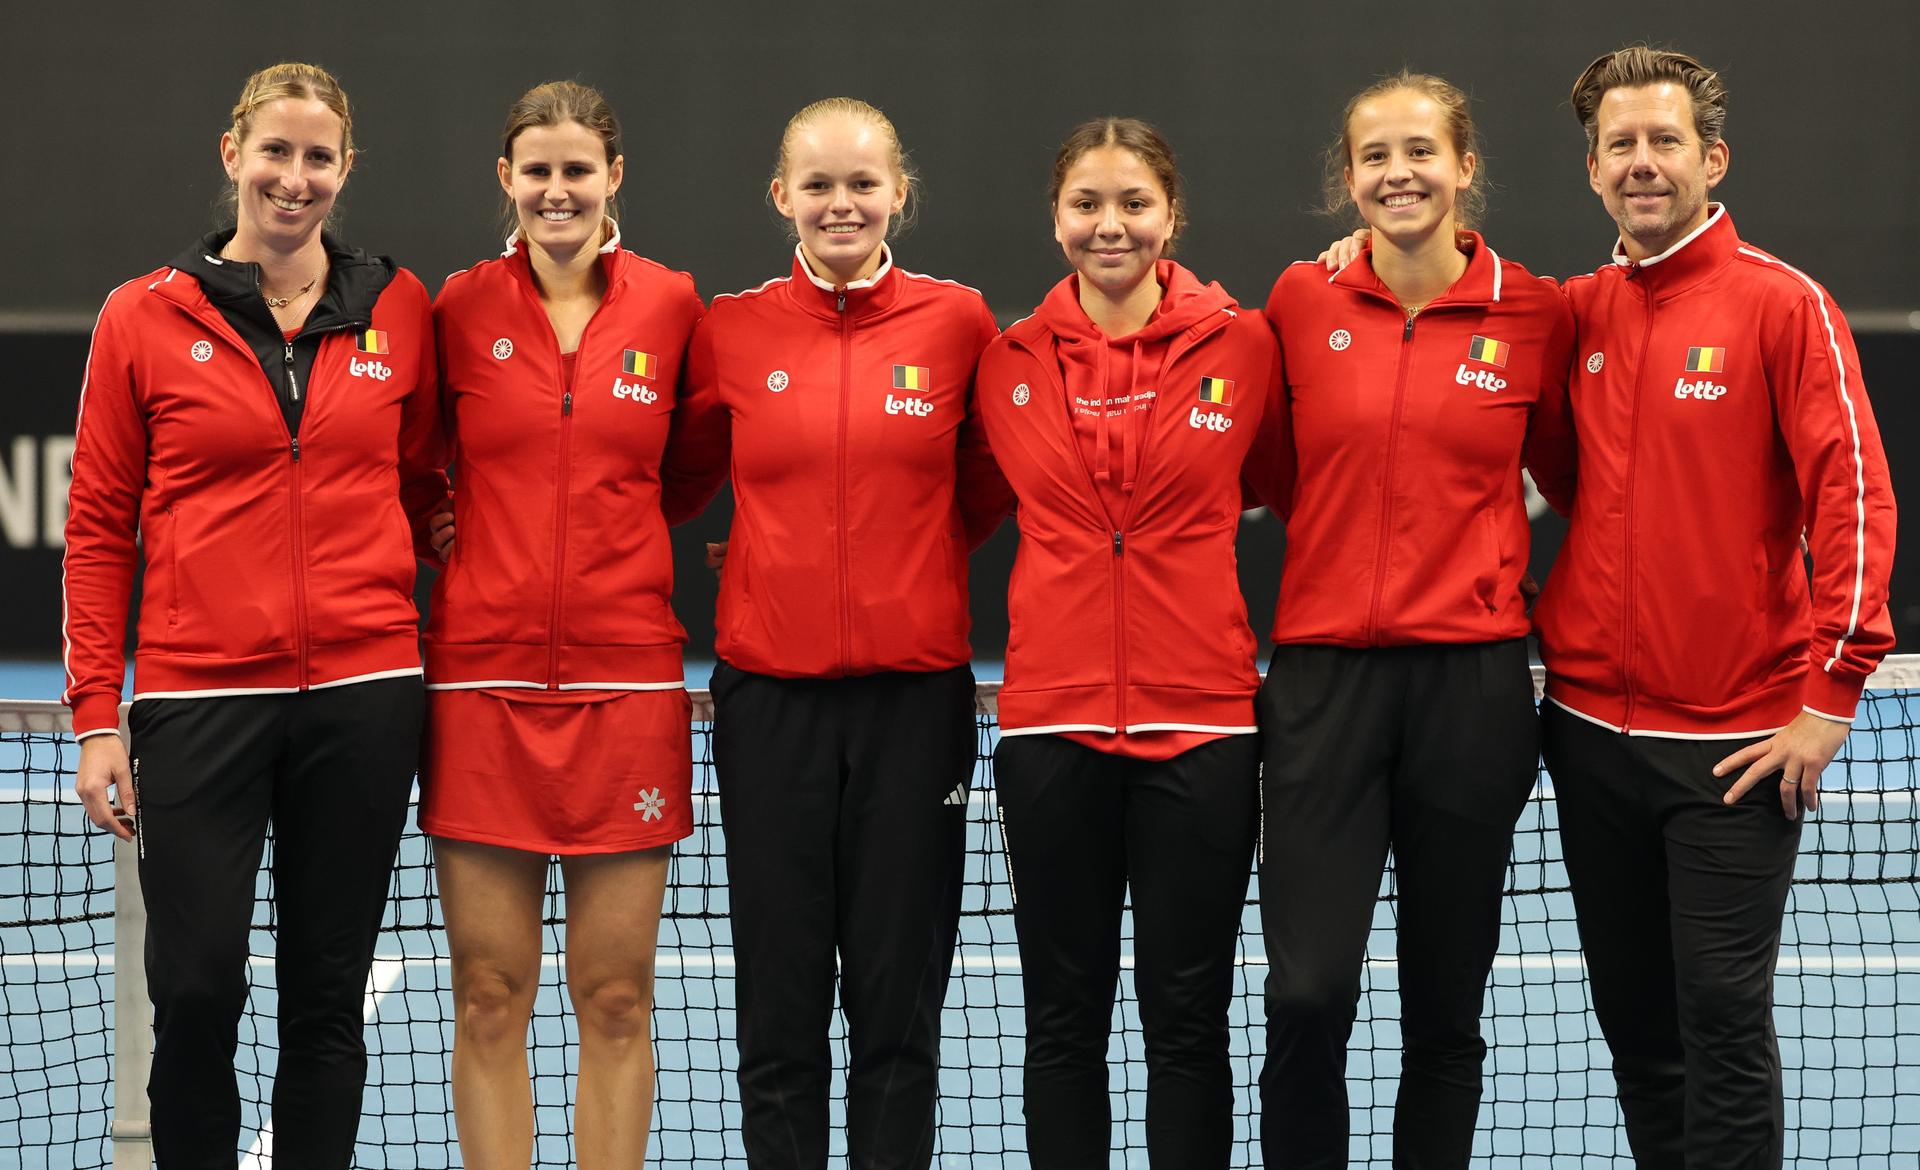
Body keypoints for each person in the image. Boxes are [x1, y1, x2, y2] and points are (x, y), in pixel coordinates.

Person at [62, 62, 443, 1168]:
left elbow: (425, 482)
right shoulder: (142, 316)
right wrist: (97, 716)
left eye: (318, 156)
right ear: (234, 156)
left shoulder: (396, 306)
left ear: (345, 169)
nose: (295, 176)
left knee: (325, 1004)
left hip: (365, 700)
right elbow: (97, 529)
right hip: (199, 700)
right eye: (275, 152)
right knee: (194, 991)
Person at [1533, 46, 1896, 1167]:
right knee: (1639, 1035)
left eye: (1666, 141)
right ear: (1593, 170)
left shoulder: (1784, 306)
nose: (1644, 163)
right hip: (1590, 738)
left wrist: (1830, 696)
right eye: (1622, 146)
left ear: (1712, 158)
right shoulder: (1574, 314)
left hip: (1737, 746)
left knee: (1723, 1024)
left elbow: (1856, 499)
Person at [669, 97, 1006, 1169]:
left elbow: (988, 485)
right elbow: (673, 480)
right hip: (771, 710)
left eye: (863, 183)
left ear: (899, 192)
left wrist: (905, 574)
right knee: (778, 1013)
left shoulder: (960, 323)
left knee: (896, 1012)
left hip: (917, 708)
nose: (841, 203)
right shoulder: (733, 326)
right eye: (818, 184)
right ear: (782, 199)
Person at [1251, 74, 1574, 1169]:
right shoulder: (1299, 300)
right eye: (1376, 156)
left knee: (1445, 1010)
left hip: (1471, 693)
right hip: (1320, 687)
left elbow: (1576, 474)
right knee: (1304, 995)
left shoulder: (1537, 313)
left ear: (1465, 166)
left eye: (1422, 152)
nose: (1400, 172)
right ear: (1348, 179)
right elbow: (1281, 472)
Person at [973, 117, 1279, 1168]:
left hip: (1202, 729)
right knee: (1064, 1020)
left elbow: (1297, 481)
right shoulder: (1003, 360)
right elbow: (950, 505)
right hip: (1050, 729)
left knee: (1189, 1022)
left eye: (1134, 204)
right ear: (1057, 218)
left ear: (1171, 216)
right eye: (1088, 205)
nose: (1111, 226)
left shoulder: (1245, 343)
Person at [416, 81, 705, 1169]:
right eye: (536, 171)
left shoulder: (673, 306)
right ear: (507, 179)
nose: (557, 191)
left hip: (626, 687)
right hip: (481, 688)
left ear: (613, 177)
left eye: (577, 170)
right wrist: (463, 538)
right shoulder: (456, 309)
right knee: (490, 994)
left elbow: (688, 467)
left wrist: (607, 539)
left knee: (617, 996)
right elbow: (406, 461)